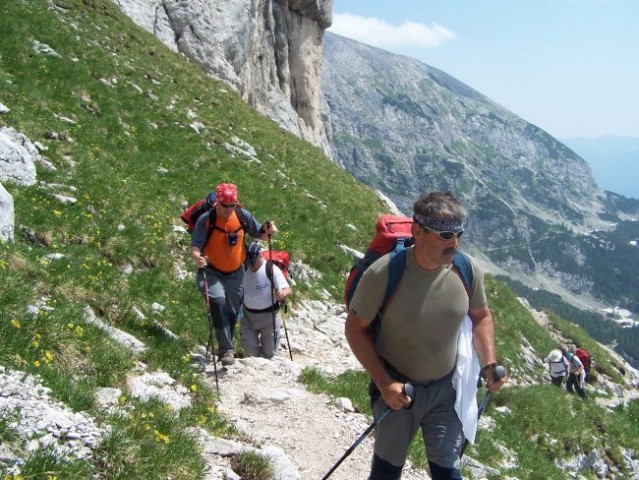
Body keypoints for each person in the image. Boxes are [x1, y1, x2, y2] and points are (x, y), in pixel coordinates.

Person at [345, 191, 505, 480]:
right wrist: (384, 383)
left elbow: (481, 316)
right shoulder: (384, 274)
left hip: (447, 390)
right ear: (418, 231)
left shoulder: (467, 269)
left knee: (448, 470)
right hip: (398, 389)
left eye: (459, 234)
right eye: (445, 235)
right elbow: (355, 329)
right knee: (386, 471)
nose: (454, 243)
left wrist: (490, 363)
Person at [191, 183, 277, 366]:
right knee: (217, 300)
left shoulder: (242, 216)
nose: (229, 209)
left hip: (236, 273)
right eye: (225, 205)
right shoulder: (206, 220)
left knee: (231, 313)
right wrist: (198, 257)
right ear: (218, 203)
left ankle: (225, 350)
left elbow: (259, 234)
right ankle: (226, 350)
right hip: (211, 270)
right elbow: (196, 245)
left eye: (232, 205)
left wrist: (270, 232)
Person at [240, 243, 292, 358]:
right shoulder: (242, 269)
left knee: (270, 354)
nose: (251, 266)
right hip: (248, 317)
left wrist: (282, 294)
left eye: (253, 263)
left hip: (270, 317)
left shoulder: (271, 269)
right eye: (248, 263)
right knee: (250, 353)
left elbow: (288, 290)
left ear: (260, 257)